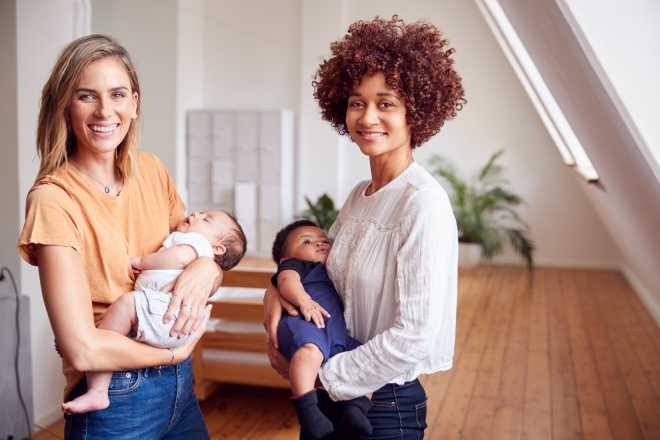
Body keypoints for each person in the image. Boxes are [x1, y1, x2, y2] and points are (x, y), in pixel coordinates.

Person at [264, 16, 465, 439]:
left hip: (383, 403)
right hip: (334, 397)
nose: (368, 116)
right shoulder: (359, 195)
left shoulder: (422, 203)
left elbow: (415, 336)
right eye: (357, 102)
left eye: (386, 103)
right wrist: (278, 294)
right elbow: (320, 276)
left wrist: (322, 375)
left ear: (417, 111)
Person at [18, 34, 222, 439]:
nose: (105, 111)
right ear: (65, 105)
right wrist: (172, 352)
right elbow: (80, 348)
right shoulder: (53, 200)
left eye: (117, 94)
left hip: (180, 389)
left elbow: (194, 250)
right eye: (86, 96)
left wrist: (207, 266)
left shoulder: (151, 171)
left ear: (135, 102)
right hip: (115, 395)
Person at [62, 209, 247, 415]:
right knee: (123, 316)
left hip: (166, 312)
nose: (195, 214)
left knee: (123, 307)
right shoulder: (196, 246)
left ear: (218, 248)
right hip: (168, 321)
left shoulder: (195, 244)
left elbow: (177, 257)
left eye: (206, 219)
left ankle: (98, 389)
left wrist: (141, 261)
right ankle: (99, 388)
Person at [270, 220, 371, 439]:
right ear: (286, 258)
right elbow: (286, 281)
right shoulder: (296, 265)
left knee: (365, 358)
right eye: (307, 241)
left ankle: (355, 408)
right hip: (305, 323)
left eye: (323, 240)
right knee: (310, 352)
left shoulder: (334, 270)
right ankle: (308, 412)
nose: (319, 243)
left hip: (335, 333)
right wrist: (304, 300)